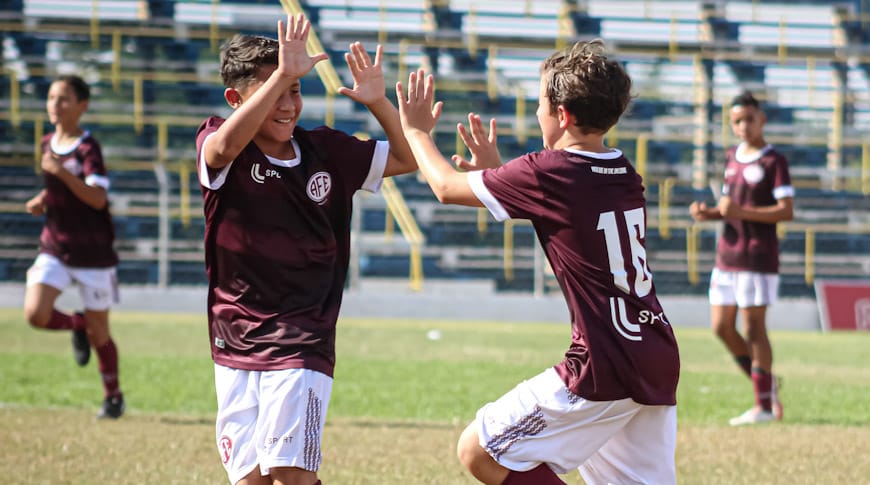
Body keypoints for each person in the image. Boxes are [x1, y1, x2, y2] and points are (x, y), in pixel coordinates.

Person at [397, 40, 680, 485]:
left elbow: (447, 187)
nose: (536, 114)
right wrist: (499, 175)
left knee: (480, 450)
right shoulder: (623, 170)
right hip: (653, 349)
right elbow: (567, 211)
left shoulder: (548, 171)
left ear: (563, 114)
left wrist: (415, 131)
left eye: (540, 104)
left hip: (602, 362)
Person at [195, 14, 416, 485]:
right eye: (275, 90)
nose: (287, 103)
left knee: (289, 474)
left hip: (302, 336)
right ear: (235, 100)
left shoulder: (326, 151)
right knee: (251, 479)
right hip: (233, 337)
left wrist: (378, 103)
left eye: (295, 90)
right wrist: (282, 75)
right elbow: (222, 149)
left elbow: (406, 158)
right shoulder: (218, 140)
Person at [23, 74, 125, 419]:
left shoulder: (87, 148)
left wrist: (61, 174)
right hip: (55, 245)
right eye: (51, 97)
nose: (55, 104)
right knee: (36, 313)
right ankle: (78, 325)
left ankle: (113, 397)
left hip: (93, 252)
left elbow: (97, 198)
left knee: (103, 335)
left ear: (82, 106)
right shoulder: (46, 142)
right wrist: (42, 199)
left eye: (64, 98)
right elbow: (59, 190)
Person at [689, 91, 793, 426]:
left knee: (753, 328)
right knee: (720, 326)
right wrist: (711, 215)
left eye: (749, 118)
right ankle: (767, 386)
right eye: (737, 120)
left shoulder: (773, 161)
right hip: (727, 256)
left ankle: (763, 406)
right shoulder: (732, 158)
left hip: (757, 258)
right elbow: (727, 207)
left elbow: (785, 211)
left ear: (761, 119)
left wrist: (739, 212)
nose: (743, 125)